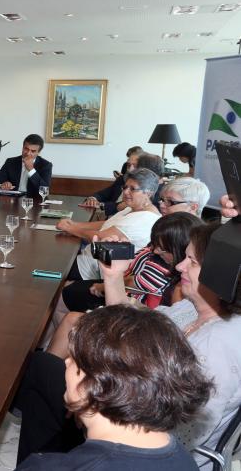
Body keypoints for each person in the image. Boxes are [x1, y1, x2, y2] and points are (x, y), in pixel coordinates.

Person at [16, 222, 241, 469]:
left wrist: (100, 408)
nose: (179, 267)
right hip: (131, 408)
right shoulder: (191, 309)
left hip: (136, 441)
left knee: (43, 370)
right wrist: (113, 275)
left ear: (221, 272)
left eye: (192, 262)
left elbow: (183, 433)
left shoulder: (220, 344)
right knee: (45, 371)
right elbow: (127, 332)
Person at [16, 305, 212, 470]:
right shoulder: (183, 461)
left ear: (97, 383)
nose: (66, 363)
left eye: (73, 360)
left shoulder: (47, 467)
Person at [46, 212, 202, 359]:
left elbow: (149, 330)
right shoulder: (173, 274)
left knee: (69, 315)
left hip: (136, 330)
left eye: (192, 261)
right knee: (68, 303)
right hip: (133, 311)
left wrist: (112, 281)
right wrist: (114, 274)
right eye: (154, 243)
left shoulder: (180, 288)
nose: (154, 250)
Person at [57, 168, 161, 281]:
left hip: (95, 269)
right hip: (91, 257)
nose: (126, 192)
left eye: (133, 189)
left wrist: (70, 228)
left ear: (149, 193)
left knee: (54, 265)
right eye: (125, 187)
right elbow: (108, 224)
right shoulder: (134, 208)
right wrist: (75, 224)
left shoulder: (144, 218)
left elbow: (101, 237)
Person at [82, 153, 164, 216]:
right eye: (128, 165)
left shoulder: (157, 193)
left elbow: (122, 206)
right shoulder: (123, 179)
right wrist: (92, 199)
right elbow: (103, 194)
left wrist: (101, 205)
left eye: (136, 166)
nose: (130, 169)